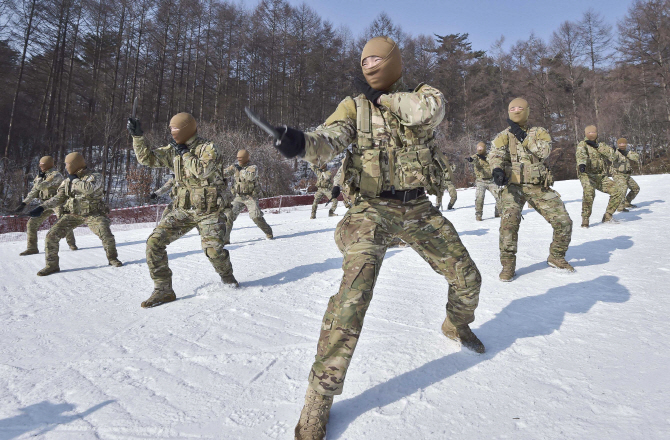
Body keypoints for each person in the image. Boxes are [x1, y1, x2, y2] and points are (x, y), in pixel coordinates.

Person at [256, 36, 484, 440]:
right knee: (353, 296)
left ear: (395, 61)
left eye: (377, 58)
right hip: (370, 210)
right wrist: (300, 142)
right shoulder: (353, 107)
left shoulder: (422, 95)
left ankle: (455, 324)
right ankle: (319, 396)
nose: (369, 65)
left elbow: (428, 114)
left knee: (468, 279)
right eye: (364, 60)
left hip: (417, 208)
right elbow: (328, 140)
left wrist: (384, 99)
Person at [127, 112, 238, 308]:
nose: (171, 132)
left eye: (175, 128)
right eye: (170, 128)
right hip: (183, 210)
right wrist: (138, 137)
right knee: (154, 242)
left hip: (210, 211)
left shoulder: (209, 148)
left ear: (186, 128)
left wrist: (184, 153)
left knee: (213, 252)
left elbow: (202, 170)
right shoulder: (173, 149)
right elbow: (147, 159)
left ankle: (227, 277)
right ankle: (163, 289)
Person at [490, 98, 574, 282]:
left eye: (520, 107)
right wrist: (496, 170)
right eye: (512, 108)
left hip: (538, 186)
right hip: (514, 187)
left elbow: (543, 152)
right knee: (508, 224)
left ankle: (556, 256)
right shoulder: (503, 135)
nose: (516, 110)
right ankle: (508, 265)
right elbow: (494, 155)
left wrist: (523, 136)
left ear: (527, 110)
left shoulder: (539, 132)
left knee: (564, 222)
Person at [27, 152, 122, 276]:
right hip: (73, 214)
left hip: (93, 213)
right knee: (51, 236)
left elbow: (89, 189)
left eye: (67, 164)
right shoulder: (67, 181)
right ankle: (52, 266)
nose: (66, 167)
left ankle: (112, 258)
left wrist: (75, 180)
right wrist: (42, 207)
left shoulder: (95, 176)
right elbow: (58, 197)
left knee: (106, 233)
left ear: (75, 164)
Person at [14, 155, 77, 255]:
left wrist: (39, 178)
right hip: (44, 204)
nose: (40, 166)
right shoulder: (41, 175)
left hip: (57, 203)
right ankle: (32, 248)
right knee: (31, 223)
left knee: (63, 222)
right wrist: (24, 203)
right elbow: (35, 190)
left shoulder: (56, 175)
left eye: (42, 164)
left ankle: (72, 244)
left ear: (47, 164)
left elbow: (41, 185)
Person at [575, 126, 626, 227]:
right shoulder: (582, 144)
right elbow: (581, 155)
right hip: (587, 175)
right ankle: (585, 219)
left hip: (600, 176)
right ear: (585, 133)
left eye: (593, 132)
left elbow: (613, 157)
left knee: (618, 190)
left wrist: (598, 146)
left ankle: (608, 216)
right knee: (589, 193)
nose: (591, 134)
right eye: (589, 132)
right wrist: (582, 164)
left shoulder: (601, 145)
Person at [222, 149, 273, 242]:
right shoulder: (234, 167)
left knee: (256, 216)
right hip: (239, 197)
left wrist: (241, 170)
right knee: (228, 215)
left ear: (246, 158)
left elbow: (250, 176)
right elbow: (223, 173)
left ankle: (268, 232)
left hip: (251, 197)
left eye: (241, 158)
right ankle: (225, 239)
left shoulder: (253, 167)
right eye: (238, 158)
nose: (239, 160)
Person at [465, 142, 501, 221]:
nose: (480, 150)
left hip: (491, 181)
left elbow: (494, 161)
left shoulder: (489, 156)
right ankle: (478, 214)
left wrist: (486, 159)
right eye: (479, 148)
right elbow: (473, 160)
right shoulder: (476, 156)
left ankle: (498, 212)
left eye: (481, 148)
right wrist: (470, 160)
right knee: (479, 198)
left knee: (499, 196)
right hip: (480, 181)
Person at [612, 138, 640, 213]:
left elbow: (636, 157)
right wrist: (613, 151)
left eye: (624, 143)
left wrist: (626, 153)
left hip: (626, 174)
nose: (622, 145)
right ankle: (620, 207)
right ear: (618, 144)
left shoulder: (628, 151)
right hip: (618, 174)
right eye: (620, 144)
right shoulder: (615, 152)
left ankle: (627, 202)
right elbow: (611, 157)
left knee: (636, 188)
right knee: (623, 188)